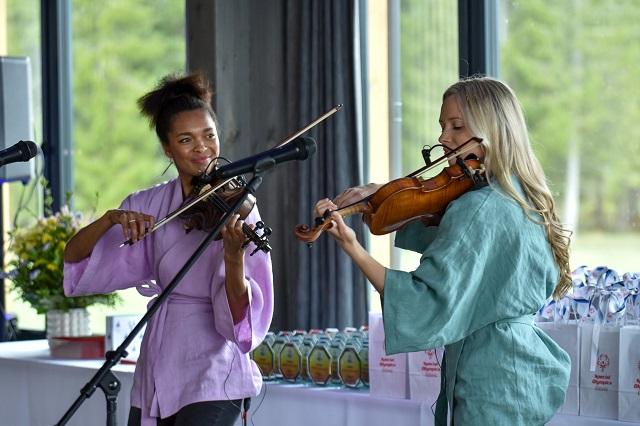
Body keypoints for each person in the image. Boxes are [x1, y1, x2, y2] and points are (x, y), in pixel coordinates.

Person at [314, 76, 571, 425]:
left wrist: (351, 245)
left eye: (457, 126)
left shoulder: (479, 208)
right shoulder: (518, 196)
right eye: (442, 126)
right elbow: (459, 247)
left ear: (492, 132)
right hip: (521, 371)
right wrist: (383, 196)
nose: (443, 138)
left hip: (492, 376)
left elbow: (424, 296)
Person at [63, 72, 274, 426]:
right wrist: (110, 219)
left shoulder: (237, 204)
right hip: (162, 357)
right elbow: (75, 257)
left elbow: (241, 320)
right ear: (167, 148)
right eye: (186, 140)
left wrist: (233, 258)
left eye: (209, 135)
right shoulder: (149, 204)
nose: (202, 148)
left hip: (215, 366)